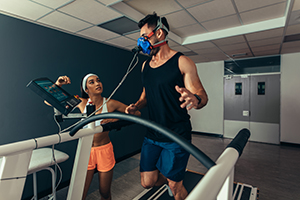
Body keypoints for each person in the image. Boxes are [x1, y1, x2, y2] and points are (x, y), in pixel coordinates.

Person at [125, 13, 208, 200]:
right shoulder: (145, 66)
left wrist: (196, 99)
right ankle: (172, 176)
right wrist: (136, 105)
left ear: (160, 34)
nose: (141, 42)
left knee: (175, 186)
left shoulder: (182, 62)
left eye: (145, 36)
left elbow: (202, 96)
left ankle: (175, 181)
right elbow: (145, 96)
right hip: (153, 133)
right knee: (147, 182)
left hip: (176, 134)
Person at [54, 74, 141, 200]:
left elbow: (137, 113)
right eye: (92, 82)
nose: (97, 83)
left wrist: (115, 118)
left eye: (98, 80)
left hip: (104, 150)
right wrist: (58, 84)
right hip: (86, 150)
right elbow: (50, 101)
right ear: (86, 89)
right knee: (80, 193)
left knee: (104, 192)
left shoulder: (110, 103)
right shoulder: (80, 101)